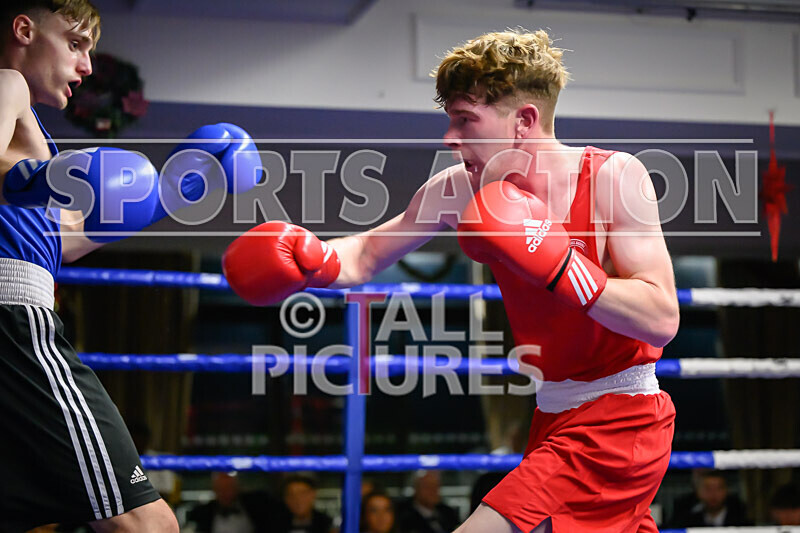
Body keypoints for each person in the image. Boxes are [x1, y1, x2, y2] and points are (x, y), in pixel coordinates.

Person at [223, 29, 679, 533]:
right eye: (450, 120)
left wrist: (560, 266)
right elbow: (370, 252)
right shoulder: (459, 188)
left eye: (466, 120)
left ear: (524, 121)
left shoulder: (614, 177)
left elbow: (661, 318)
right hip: (551, 413)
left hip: (621, 413)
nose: (450, 137)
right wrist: (312, 261)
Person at [0, 1, 260, 530]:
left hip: (20, 301)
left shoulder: (26, 127)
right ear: (24, 30)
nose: (88, 66)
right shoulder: (8, 83)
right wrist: (39, 178)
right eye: (75, 43)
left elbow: (53, 241)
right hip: (14, 324)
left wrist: (171, 194)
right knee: (147, 524)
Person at [667, 469, 750, 527]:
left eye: (718, 488)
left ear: (726, 490)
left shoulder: (741, 520)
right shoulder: (689, 521)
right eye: (708, 489)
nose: (713, 494)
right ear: (698, 492)